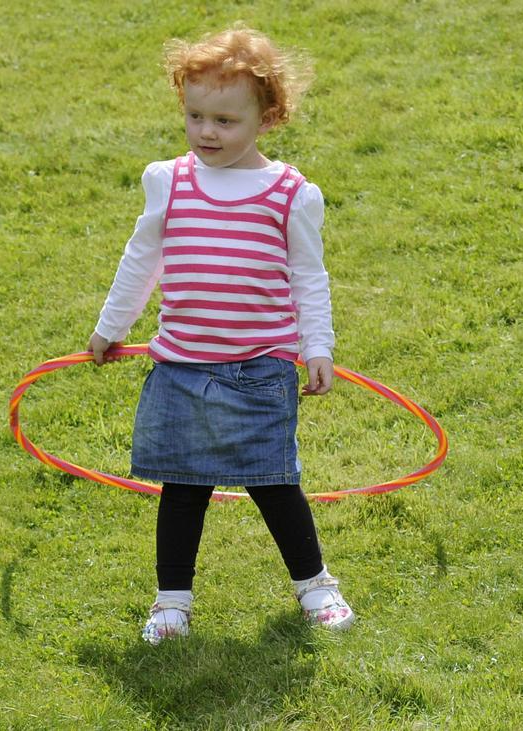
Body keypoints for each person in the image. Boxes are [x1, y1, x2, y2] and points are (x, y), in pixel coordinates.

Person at [87, 26, 354, 645]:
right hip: (181, 365)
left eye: (225, 121)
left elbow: (309, 277)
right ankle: (171, 603)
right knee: (183, 487)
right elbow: (141, 262)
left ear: (268, 119)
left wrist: (317, 346)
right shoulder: (169, 180)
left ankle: (315, 585)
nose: (206, 132)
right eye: (195, 116)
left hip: (259, 367)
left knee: (274, 483)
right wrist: (110, 328)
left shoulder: (291, 194)